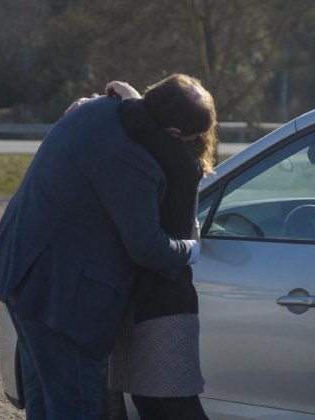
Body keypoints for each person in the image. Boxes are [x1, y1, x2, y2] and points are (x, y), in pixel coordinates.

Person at [0, 74, 213, 419]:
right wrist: (193, 249)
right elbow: (148, 248)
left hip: (18, 270)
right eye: (188, 142)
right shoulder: (133, 159)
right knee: (76, 407)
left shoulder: (99, 108)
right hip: (61, 302)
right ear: (174, 135)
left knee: (44, 403)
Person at [79, 76, 216, 419]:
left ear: (172, 134)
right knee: (152, 404)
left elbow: (137, 121)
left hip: (163, 305)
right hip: (154, 303)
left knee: (171, 406)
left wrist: (130, 95)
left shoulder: (179, 160)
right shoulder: (179, 156)